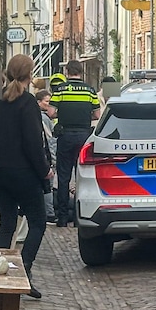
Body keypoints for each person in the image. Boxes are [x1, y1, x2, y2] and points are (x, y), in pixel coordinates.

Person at [0, 54, 50, 299]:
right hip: (23, 171)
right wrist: (45, 170)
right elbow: (33, 143)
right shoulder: (28, 103)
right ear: (29, 75)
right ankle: (23, 272)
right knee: (38, 222)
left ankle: (0, 274)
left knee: (7, 223)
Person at [49, 60, 99, 227]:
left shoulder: (60, 90)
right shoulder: (90, 90)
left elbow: (51, 112)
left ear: (67, 71)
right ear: (81, 72)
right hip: (84, 135)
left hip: (66, 135)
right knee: (81, 177)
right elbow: (97, 114)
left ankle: (62, 218)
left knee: (63, 177)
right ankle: (79, 217)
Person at [35, 89, 58, 223]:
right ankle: (49, 213)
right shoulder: (44, 118)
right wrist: (53, 160)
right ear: (39, 102)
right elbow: (50, 141)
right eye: (47, 102)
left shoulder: (43, 117)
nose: (49, 105)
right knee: (47, 185)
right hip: (46, 157)